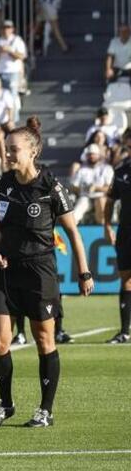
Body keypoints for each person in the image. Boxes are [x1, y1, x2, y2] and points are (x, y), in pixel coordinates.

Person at [0, 117, 93, 428]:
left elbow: (73, 232)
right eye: (6, 149)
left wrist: (83, 272)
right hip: (5, 272)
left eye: (13, 149)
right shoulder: (1, 187)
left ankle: (45, 410)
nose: (7, 155)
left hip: (39, 273)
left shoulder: (51, 187)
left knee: (44, 340)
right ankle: (6, 405)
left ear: (32, 152)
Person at [103, 132, 131, 344]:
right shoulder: (121, 172)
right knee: (126, 279)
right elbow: (110, 200)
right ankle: (124, 331)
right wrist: (107, 225)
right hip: (126, 231)